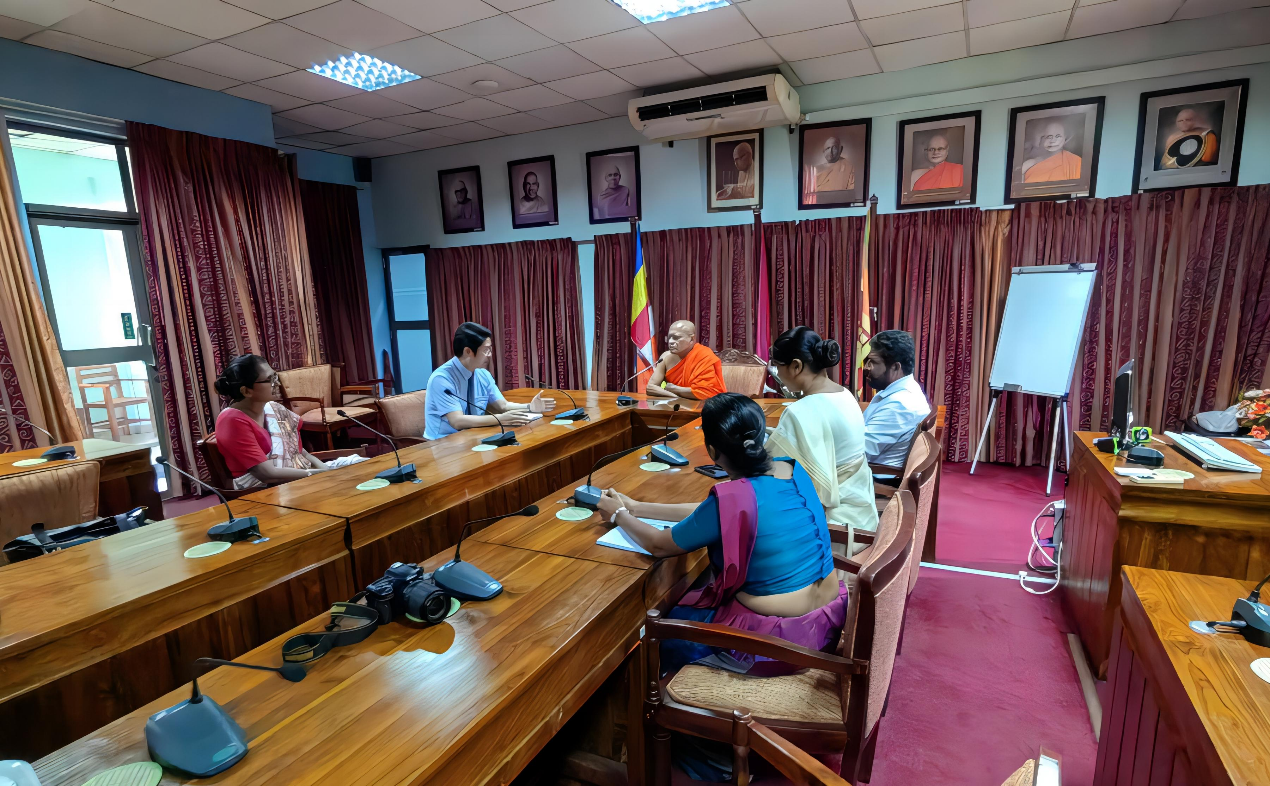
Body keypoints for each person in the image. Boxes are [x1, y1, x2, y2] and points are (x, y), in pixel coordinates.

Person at [767, 327, 877, 552]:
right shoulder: (844, 394)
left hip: (834, 526)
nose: (776, 374)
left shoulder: (801, 411)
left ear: (796, 366)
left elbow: (771, 471)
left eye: (778, 366)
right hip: (863, 513)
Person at [213, 354, 366, 490]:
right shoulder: (232, 421)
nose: (278, 384)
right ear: (246, 391)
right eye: (270, 380)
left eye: (275, 377)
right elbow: (267, 475)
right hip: (265, 490)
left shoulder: (273, 408)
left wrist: (324, 470)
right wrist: (318, 475)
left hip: (297, 475)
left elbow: (298, 451)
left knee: (361, 464)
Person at [424, 322, 554, 440]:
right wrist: (500, 419)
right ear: (468, 351)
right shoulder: (442, 379)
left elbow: (503, 406)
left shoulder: (483, 374)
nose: (490, 355)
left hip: (475, 436)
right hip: (443, 442)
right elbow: (457, 421)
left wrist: (530, 407)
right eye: (486, 350)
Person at [861, 330, 931, 468]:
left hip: (875, 477)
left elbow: (859, 452)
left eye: (873, 362)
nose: (866, 367)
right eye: (866, 361)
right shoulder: (902, 389)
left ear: (895, 367)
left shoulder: (900, 404)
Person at [645, 320, 726, 401]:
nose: (671, 342)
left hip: (701, 407)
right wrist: (675, 396)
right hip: (672, 406)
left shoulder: (704, 356)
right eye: (669, 337)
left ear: (691, 339)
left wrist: (674, 389)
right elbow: (650, 388)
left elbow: (708, 393)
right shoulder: (666, 357)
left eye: (676, 338)